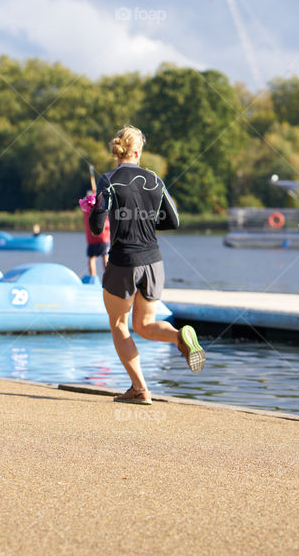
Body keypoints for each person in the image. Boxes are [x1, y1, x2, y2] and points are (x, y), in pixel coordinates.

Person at [87, 125, 205, 406]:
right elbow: (173, 221)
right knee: (144, 323)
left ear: (118, 152)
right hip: (153, 261)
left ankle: (140, 389)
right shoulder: (155, 180)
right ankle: (180, 336)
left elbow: (96, 226)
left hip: (123, 261)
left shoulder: (108, 180)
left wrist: (95, 206)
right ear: (138, 152)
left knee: (119, 323)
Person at [80, 189, 110, 277]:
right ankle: (108, 277)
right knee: (105, 256)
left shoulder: (85, 209)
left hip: (91, 238)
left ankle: (93, 278)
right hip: (102, 237)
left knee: (92, 258)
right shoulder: (100, 206)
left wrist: (94, 194)